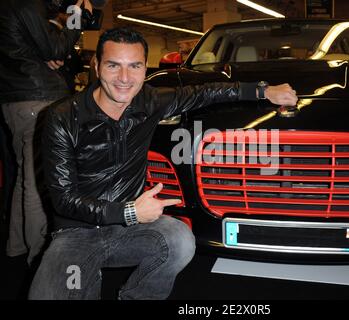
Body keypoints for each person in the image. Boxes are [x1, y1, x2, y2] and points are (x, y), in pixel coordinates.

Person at [28, 26, 298, 300]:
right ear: (96, 66)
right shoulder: (61, 117)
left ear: (145, 69)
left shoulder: (149, 102)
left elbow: (206, 93)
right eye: (113, 65)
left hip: (127, 232)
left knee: (178, 239)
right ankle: (85, 276)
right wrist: (129, 211)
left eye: (134, 66)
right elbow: (64, 199)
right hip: (77, 233)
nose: (124, 78)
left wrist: (262, 91)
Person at [0, 0, 93, 266]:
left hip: (15, 101)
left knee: (24, 176)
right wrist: (78, 15)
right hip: (35, 100)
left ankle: (17, 245)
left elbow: (42, 49)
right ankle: (39, 255)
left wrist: (47, 53)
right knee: (38, 181)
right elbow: (58, 47)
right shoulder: (27, 5)